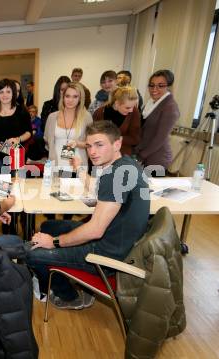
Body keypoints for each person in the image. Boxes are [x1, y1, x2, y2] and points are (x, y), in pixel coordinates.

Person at [26, 120, 150, 309]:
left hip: (107, 254)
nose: (92, 152)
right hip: (119, 239)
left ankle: (69, 297)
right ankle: (59, 267)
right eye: (90, 146)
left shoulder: (115, 175)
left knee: (31, 253)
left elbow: (95, 230)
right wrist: (79, 169)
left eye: (99, 145)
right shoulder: (126, 165)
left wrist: (54, 242)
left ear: (117, 143)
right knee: (49, 226)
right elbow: (97, 188)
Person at [0, 79, 32, 174]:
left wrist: (18, 139)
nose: (5, 95)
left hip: (16, 155)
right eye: (1, 92)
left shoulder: (22, 111)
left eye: (8, 91)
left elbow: (29, 132)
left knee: (17, 186)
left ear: (13, 93)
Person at [136, 69, 180, 171]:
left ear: (168, 87)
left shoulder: (170, 107)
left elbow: (160, 139)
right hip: (144, 156)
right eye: (151, 85)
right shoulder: (151, 103)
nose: (154, 89)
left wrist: (140, 156)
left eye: (160, 85)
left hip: (156, 160)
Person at [44, 82, 93, 169]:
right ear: (63, 97)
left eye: (75, 96)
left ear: (80, 98)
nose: (70, 100)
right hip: (55, 164)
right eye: (67, 96)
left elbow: (91, 143)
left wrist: (77, 143)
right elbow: (47, 141)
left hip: (78, 165)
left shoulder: (86, 117)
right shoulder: (52, 117)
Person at [93, 86, 141, 156]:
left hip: (122, 158)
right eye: (127, 107)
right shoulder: (99, 112)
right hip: (101, 156)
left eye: (133, 106)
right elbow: (93, 135)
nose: (131, 110)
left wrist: (114, 138)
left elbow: (135, 139)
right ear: (116, 103)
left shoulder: (134, 113)